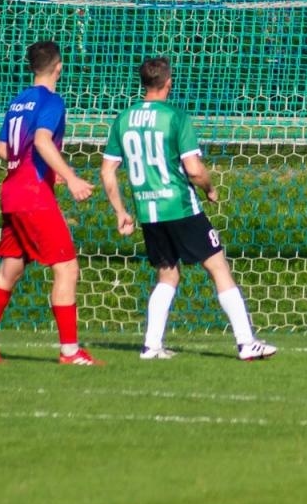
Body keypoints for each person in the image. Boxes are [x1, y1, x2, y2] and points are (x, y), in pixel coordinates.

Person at [101, 56, 276, 361]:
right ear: (168, 82)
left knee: (167, 276)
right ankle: (246, 342)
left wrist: (120, 211)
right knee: (218, 266)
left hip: (148, 211)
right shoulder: (175, 117)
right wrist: (209, 188)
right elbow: (194, 170)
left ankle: (151, 345)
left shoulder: (123, 118)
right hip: (180, 206)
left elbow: (107, 171)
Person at [0, 40, 99, 366]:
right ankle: (70, 352)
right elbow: (41, 140)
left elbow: (1, 149)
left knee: (10, 268)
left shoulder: (18, 101)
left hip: (10, 192)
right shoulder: (51, 100)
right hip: (32, 193)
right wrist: (71, 178)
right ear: (59, 66)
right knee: (67, 268)